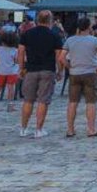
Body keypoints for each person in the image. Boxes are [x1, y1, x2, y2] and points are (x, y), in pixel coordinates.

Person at [19, 10, 64, 138]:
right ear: (50, 20)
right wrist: (60, 71)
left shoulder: (27, 34)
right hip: (47, 70)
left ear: (38, 19)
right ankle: (39, 129)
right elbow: (58, 56)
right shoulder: (54, 35)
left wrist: (21, 68)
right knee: (43, 101)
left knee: (28, 100)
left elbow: (21, 52)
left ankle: (23, 128)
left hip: (31, 69)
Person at [63, 19, 97, 138]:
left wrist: (69, 66)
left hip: (74, 73)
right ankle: (91, 129)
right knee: (91, 102)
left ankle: (70, 130)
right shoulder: (95, 40)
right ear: (88, 27)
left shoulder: (70, 40)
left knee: (72, 102)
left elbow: (62, 57)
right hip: (90, 73)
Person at [0, 31, 21, 112]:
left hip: (1, 71)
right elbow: (17, 61)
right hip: (12, 71)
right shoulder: (15, 50)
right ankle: (10, 106)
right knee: (11, 88)